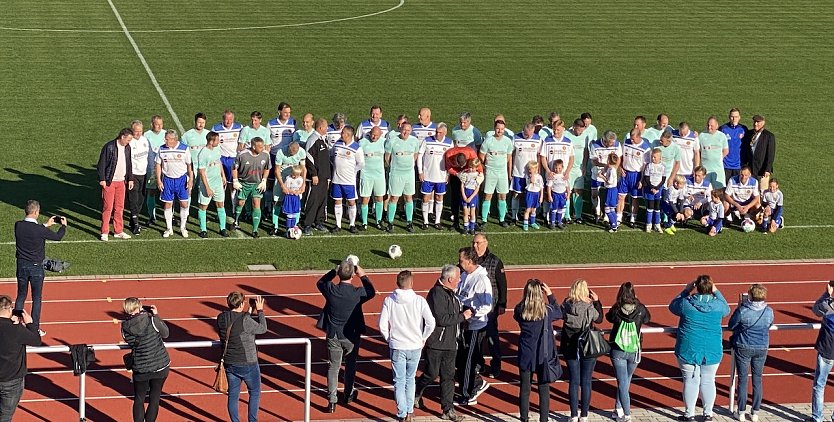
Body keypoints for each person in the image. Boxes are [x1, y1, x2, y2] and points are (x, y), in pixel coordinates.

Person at [317, 260, 376, 413]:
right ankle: (348, 394)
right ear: (352, 275)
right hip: (352, 335)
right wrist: (363, 275)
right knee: (350, 365)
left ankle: (332, 400)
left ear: (339, 274)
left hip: (334, 334)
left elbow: (321, 282)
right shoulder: (357, 293)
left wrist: (334, 271)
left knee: (333, 367)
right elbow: (371, 291)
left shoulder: (331, 289)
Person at [669, 275, 730, 421]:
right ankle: (707, 413)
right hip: (712, 349)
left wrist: (686, 290)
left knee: (690, 381)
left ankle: (689, 414)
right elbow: (727, 309)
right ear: (711, 288)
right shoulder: (718, 306)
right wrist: (716, 291)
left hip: (688, 348)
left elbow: (672, 306)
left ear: (697, 287)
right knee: (709, 380)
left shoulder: (686, 304)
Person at [415, 265, 470, 422]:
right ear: (450, 279)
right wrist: (463, 316)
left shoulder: (451, 293)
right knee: (432, 374)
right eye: (458, 278)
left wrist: (464, 311)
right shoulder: (436, 293)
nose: (460, 281)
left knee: (448, 377)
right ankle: (416, 391)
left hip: (451, 344)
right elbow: (441, 319)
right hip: (436, 343)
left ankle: (448, 409)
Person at [379, 271, 436, 422]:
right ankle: (410, 411)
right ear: (411, 283)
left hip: (397, 346)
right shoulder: (419, 301)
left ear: (397, 284)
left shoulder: (389, 300)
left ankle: (402, 412)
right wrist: (423, 338)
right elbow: (431, 323)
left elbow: (382, 324)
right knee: (410, 379)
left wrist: (388, 338)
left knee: (399, 381)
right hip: (415, 346)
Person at [14, 200, 66, 336]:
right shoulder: (40, 230)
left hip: (22, 265)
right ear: (36, 212)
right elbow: (57, 237)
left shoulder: (18, 225)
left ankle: (15, 324)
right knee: (36, 298)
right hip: (36, 267)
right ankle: (34, 327)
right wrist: (63, 226)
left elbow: (33, 231)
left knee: (21, 295)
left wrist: (46, 225)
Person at [514, 279, 562, 422]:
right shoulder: (547, 311)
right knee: (543, 388)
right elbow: (559, 313)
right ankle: (544, 419)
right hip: (543, 354)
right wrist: (550, 295)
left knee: (525, 389)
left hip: (526, 354)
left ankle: (524, 418)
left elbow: (516, 316)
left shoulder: (519, 309)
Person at [217, 292, 267, 422]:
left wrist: (250, 310)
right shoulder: (245, 320)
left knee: (233, 396)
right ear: (241, 304)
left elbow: (237, 322)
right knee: (254, 393)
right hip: (248, 363)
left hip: (230, 363)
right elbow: (262, 328)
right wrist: (260, 311)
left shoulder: (221, 318)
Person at [606, 282, 651, 422]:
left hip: (618, 349)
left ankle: (626, 414)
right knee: (625, 381)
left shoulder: (616, 309)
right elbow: (648, 318)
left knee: (623, 383)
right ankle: (618, 409)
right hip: (634, 349)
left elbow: (608, 318)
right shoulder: (640, 308)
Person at [729, 284, 773, 422]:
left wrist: (738, 307)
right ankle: (755, 412)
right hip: (761, 347)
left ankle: (741, 412)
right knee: (757, 379)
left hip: (744, 346)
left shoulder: (743, 311)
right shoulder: (769, 311)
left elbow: (731, 325)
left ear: (750, 296)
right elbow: (769, 324)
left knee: (742, 380)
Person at [121, 297, 170, 422]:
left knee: (139, 399)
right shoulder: (151, 320)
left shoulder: (125, 327)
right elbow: (166, 333)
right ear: (139, 306)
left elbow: (130, 341)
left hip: (140, 368)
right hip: (160, 365)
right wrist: (156, 315)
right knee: (154, 398)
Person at [455, 247, 493, 406]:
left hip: (476, 327)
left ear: (470, 261)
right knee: (461, 359)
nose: (458, 262)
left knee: (468, 361)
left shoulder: (482, 280)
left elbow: (487, 306)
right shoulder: (464, 275)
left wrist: (472, 313)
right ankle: (473, 384)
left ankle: (468, 394)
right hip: (464, 325)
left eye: (461, 260)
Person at [561, 279, 602, 422]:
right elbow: (599, 319)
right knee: (586, 381)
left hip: (570, 346)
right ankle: (584, 415)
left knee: (573, 380)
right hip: (587, 345)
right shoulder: (589, 306)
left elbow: (560, 314)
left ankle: (573, 415)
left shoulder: (566, 304)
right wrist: (597, 302)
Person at [0, 295, 42, 422]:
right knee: (5, 417)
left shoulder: (14, 328)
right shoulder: (16, 329)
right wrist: (30, 324)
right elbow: (36, 340)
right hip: (11, 381)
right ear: (9, 309)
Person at [471, 233, 507, 378]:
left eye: (478, 243)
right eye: (473, 243)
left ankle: (496, 365)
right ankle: (479, 364)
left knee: (492, 338)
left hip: (491, 309)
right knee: (477, 338)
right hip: (475, 308)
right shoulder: (470, 260)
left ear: (485, 243)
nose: (475, 246)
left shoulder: (495, 261)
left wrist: (502, 303)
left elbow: (502, 284)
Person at [97, 127, 134, 241]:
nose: (129, 142)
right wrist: (102, 179)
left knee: (119, 207)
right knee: (108, 207)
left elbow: (129, 163)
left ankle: (118, 231)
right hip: (109, 182)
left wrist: (130, 178)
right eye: (128, 139)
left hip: (121, 182)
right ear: (122, 137)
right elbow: (102, 164)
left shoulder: (127, 147)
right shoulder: (109, 147)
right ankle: (104, 231)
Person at [155, 129, 193, 238]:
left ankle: (183, 227)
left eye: (167, 139)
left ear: (174, 139)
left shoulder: (184, 149)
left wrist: (190, 180)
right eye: (165, 139)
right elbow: (158, 165)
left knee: (184, 204)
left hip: (181, 180)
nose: (165, 141)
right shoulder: (162, 149)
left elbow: (189, 165)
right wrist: (158, 180)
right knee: (167, 204)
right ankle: (169, 228)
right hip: (167, 180)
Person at [231, 137, 271, 238]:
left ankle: (255, 230)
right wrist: (235, 181)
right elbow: (234, 168)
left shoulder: (265, 155)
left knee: (256, 204)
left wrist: (264, 180)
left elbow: (267, 168)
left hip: (257, 184)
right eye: (260, 147)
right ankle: (236, 221)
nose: (262, 148)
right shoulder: (242, 155)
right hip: (244, 183)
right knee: (241, 202)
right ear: (253, 147)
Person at [385, 123, 420, 233]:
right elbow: (387, 157)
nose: (406, 132)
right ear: (400, 129)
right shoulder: (392, 141)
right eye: (404, 130)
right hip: (396, 174)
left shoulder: (414, 141)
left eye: (408, 130)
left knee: (408, 197)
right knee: (394, 198)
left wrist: (408, 166)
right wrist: (394, 167)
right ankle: (390, 222)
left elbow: (415, 155)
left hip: (409, 174)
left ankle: (409, 222)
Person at [478, 120, 513, 227]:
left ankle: (501, 219)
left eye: (502, 129)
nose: (500, 131)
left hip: (502, 172)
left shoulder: (507, 141)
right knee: (488, 195)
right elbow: (481, 157)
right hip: (490, 172)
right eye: (498, 128)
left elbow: (508, 157)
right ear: (494, 128)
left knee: (502, 196)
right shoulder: (488, 141)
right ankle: (484, 219)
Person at [418, 122, 453, 230]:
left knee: (439, 197)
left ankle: (437, 221)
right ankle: (425, 221)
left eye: (440, 132)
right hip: (428, 176)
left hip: (441, 177)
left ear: (445, 133)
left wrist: (448, 174)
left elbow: (450, 160)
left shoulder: (449, 143)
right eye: (437, 132)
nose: (437, 134)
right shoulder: (427, 141)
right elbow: (420, 155)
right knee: (425, 198)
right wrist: (420, 171)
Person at [539, 119, 574, 226]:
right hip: (551, 174)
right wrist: (548, 170)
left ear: (563, 129)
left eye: (558, 130)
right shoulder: (547, 140)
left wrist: (567, 172)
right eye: (554, 130)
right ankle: (546, 216)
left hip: (563, 176)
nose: (555, 132)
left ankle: (561, 218)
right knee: (548, 194)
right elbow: (543, 157)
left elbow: (572, 158)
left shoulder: (568, 142)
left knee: (563, 194)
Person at [330, 126, 364, 233]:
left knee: (351, 202)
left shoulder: (356, 148)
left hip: (349, 181)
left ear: (348, 135)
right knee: (337, 201)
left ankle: (352, 224)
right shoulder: (337, 144)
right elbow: (331, 157)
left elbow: (361, 164)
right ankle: (338, 225)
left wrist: (353, 172)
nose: (341, 134)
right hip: (336, 180)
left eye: (343, 133)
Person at [196, 131, 228, 238]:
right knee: (203, 206)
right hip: (207, 184)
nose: (219, 141)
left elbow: (219, 163)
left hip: (218, 183)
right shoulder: (203, 154)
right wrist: (207, 188)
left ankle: (222, 228)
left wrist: (223, 176)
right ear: (211, 141)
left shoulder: (217, 149)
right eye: (217, 140)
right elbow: (202, 172)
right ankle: (203, 230)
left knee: (220, 204)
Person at [809, 281, 834, 422]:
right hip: (828, 349)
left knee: (819, 385)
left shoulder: (828, 306)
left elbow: (815, 309)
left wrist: (827, 294)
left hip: (827, 350)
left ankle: (817, 418)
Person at [302, 118, 332, 235]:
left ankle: (319, 222)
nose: (327, 129)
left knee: (322, 201)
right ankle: (307, 224)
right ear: (320, 128)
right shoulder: (313, 140)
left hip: (324, 177)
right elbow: (308, 158)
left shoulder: (322, 140)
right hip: (316, 178)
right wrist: (314, 174)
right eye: (325, 127)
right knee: (313, 201)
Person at [445, 140, 481, 231]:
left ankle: (474, 221)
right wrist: (457, 174)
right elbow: (448, 167)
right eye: (459, 164)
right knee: (455, 197)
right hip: (457, 175)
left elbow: (478, 165)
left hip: (471, 174)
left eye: (463, 165)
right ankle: (456, 222)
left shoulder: (471, 152)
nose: (461, 167)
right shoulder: (449, 154)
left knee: (474, 197)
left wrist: (480, 176)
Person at [509, 123, 542, 224]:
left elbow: (540, 155)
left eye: (530, 134)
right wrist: (510, 171)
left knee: (531, 194)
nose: (528, 136)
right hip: (518, 172)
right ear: (523, 130)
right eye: (526, 134)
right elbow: (510, 155)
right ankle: (514, 216)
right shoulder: (516, 138)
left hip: (532, 174)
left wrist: (538, 171)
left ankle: (530, 216)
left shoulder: (538, 139)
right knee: (516, 194)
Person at [271, 141, 306, 235]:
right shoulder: (280, 152)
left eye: (294, 154)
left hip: (295, 180)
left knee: (296, 203)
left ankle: (295, 225)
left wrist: (303, 184)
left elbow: (303, 168)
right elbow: (277, 170)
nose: (291, 155)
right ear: (288, 148)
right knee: (277, 201)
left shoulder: (302, 152)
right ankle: (275, 226)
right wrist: (282, 185)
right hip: (282, 177)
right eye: (290, 153)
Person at [618, 128, 651, 227]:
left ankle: (633, 217)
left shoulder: (645, 148)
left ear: (639, 136)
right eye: (631, 139)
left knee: (635, 198)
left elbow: (646, 166)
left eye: (633, 139)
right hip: (625, 173)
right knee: (620, 196)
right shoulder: (626, 142)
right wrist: (620, 167)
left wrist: (641, 180)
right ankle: (619, 216)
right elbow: (620, 156)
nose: (631, 141)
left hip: (636, 175)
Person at [212, 110, 244, 209]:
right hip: (221, 159)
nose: (228, 121)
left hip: (233, 159)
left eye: (230, 119)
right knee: (220, 184)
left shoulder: (239, 128)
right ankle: (219, 206)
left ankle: (233, 206)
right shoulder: (216, 128)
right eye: (226, 119)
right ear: (223, 119)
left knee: (232, 185)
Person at [589, 130, 622, 224]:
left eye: (613, 142)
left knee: (607, 195)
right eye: (610, 143)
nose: (612, 144)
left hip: (609, 174)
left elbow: (619, 157)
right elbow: (594, 161)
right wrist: (605, 166)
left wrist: (614, 168)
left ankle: (605, 216)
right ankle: (597, 210)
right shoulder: (595, 145)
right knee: (594, 194)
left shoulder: (617, 144)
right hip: (597, 173)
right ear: (605, 140)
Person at [358, 126, 387, 230]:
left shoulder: (384, 142)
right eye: (373, 134)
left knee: (379, 198)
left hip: (379, 175)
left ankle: (379, 221)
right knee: (365, 199)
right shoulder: (362, 143)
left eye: (377, 135)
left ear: (380, 135)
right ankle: (364, 223)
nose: (374, 137)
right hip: (366, 174)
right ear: (370, 133)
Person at [127, 120, 151, 235]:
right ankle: (136, 224)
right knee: (133, 198)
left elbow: (148, 157)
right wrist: (130, 177)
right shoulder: (129, 143)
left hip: (144, 174)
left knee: (141, 199)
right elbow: (127, 161)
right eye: (136, 131)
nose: (138, 133)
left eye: (140, 131)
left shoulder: (145, 140)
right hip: (133, 175)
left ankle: (132, 220)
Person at [563, 119, 588, 223]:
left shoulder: (585, 136)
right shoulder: (566, 135)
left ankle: (578, 216)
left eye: (582, 130)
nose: (580, 132)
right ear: (574, 127)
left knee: (579, 192)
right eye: (579, 130)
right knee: (567, 192)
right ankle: (567, 216)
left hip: (579, 169)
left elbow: (586, 151)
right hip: (569, 170)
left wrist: (585, 166)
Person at [741, 115, 776, 190]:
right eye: (754, 122)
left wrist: (768, 169)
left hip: (762, 170)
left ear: (763, 123)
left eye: (758, 122)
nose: (755, 124)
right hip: (750, 169)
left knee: (762, 191)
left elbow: (770, 154)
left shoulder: (769, 136)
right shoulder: (749, 134)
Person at [143, 115, 166, 226]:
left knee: (168, 192)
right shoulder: (146, 135)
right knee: (151, 192)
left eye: (161, 124)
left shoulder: (166, 134)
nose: (159, 126)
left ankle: (169, 216)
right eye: (157, 124)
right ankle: (151, 216)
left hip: (166, 169)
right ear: (152, 124)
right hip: (152, 169)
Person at [699, 116, 730, 189]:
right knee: (705, 191)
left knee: (719, 191)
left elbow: (726, 150)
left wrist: (719, 158)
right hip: (705, 170)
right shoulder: (701, 136)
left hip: (718, 170)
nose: (709, 127)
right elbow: (698, 151)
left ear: (717, 126)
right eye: (708, 125)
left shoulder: (722, 136)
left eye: (711, 126)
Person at [642, 148, 667, 233]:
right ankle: (648, 224)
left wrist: (657, 188)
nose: (653, 159)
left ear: (660, 158)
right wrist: (652, 187)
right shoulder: (649, 166)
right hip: (650, 189)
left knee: (657, 207)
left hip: (658, 190)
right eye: (652, 157)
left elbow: (663, 179)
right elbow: (646, 178)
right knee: (650, 206)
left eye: (655, 157)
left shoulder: (663, 167)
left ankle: (657, 224)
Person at [720, 108, 747, 184]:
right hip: (726, 165)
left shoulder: (743, 129)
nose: (734, 118)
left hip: (738, 165)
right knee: (725, 188)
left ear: (739, 117)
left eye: (736, 116)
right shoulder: (723, 129)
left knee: (737, 188)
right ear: (729, 117)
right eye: (732, 116)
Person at [458, 158, 484, 234]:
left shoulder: (478, 176)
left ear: (476, 167)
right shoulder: (465, 174)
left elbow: (477, 189)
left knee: (472, 213)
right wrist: (464, 196)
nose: (471, 169)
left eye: (473, 167)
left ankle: (472, 228)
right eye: (469, 167)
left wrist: (470, 198)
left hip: (473, 195)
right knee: (465, 212)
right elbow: (462, 186)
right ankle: (465, 227)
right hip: (466, 193)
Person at [280, 165, 305, 234]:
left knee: (294, 214)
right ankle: (288, 229)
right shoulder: (288, 179)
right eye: (293, 174)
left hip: (296, 198)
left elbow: (301, 189)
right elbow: (285, 188)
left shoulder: (300, 179)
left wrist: (298, 192)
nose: (294, 176)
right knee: (289, 214)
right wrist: (291, 191)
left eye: (296, 175)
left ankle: (293, 227)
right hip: (289, 197)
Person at [546, 159, 569, 229]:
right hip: (555, 195)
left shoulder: (564, 177)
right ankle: (552, 222)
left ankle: (559, 222)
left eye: (559, 168)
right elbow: (549, 187)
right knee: (554, 209)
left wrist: (568, 194)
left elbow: (567, 186)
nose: (557, 170)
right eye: (556, 168)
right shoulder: (553, 176)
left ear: (562, 168)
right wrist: (549, 196)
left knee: (560, 209)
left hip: (562, 195)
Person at [602, 153, 621, 233]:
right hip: (612, 190)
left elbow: (610, 181)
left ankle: (614, 225)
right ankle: (614, 224)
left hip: (611, 190)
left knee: (607, 208)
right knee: (611, 208)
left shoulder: (612, 170)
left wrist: (602, 177)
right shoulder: (610, 169)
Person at [523, 161, 543, 230]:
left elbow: (541, 187)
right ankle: (525, 223)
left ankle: (532, 222)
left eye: (531, 169)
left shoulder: (539, 177)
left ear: (535, 169)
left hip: (536, 194)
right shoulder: (527, 176)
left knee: (534, 209)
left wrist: (541, 196)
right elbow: (532, 181)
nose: (529, 170)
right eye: (528, 169)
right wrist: (532, 174)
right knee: (528, 209)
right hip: (529, 193)